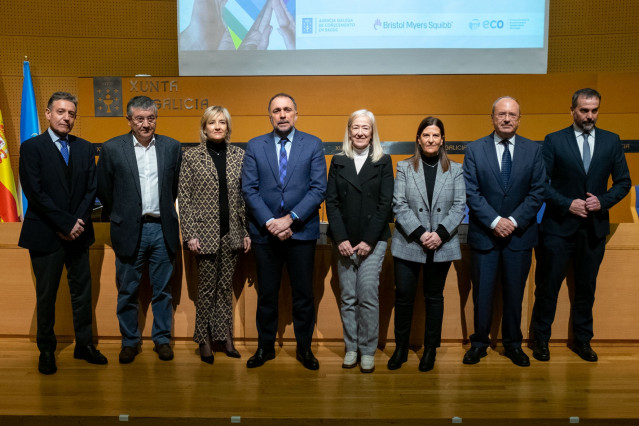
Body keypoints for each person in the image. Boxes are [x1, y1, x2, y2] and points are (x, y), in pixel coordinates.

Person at [531, 88, 630, 363]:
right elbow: (540, 184)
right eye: (584, 110)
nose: (589, 116)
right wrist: (567, 203)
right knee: (548, 287)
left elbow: (623, 182)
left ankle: (583, 341)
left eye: (594, 110)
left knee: (586, 288)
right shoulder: (554, 140)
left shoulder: (612, 142)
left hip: (594, 229)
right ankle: (541, 340)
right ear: (572, 110)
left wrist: (604, 201)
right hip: (557, 228)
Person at [18, 91, 107, 375]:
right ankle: (46, 349)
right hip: (46, 234)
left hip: (79, 233)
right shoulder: (31, 148)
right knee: (47, 295)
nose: (66, 117)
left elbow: (90, 189)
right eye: (60, 112)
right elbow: (35, 192)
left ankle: (84, 345)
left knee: (83, 292)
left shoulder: (85, 147)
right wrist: (64, 224)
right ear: (47, 113)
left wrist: (77, 222)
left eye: (71, 113)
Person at [241, 93, 327, 370]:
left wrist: (289, 220)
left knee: (303, 295)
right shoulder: (255, 146)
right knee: (267, 294)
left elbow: (318, 189)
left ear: (296, 114)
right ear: (270, 116)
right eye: (276, 110)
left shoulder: (312, 144)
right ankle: (264, 348)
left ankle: (304, 349)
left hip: (301, 233)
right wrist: (271, 222)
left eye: (287, 109)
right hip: (265, 235)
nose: (282, 114)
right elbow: (249, 190)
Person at [97, 96, 182, 364]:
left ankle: (162, 340)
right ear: (130, 120)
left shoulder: (172, 147)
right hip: (128, 230)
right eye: (140, 119)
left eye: (151, 118)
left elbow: (175, 187)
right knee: (128, 291)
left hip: (162, 229)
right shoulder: (112, 149)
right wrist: (123, 214)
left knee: (162, 291)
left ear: (156, 118)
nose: (146, 124)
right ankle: (130, 341)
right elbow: (104, 190)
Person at [462, 96, 545, 367]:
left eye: (512, 114)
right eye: (501, 114)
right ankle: (479, 344)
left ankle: (513, 344)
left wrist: (513, 221)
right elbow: (471, 192)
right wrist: (496, 221)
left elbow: (537, 191)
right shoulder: (475, 150)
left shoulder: (533, 150)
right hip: (485, 235)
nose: (506, 119)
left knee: (515, 294)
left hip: (519, 237)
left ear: (519, 119)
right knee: (482, 294)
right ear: (492, 118)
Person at [389, 116, 466, 372]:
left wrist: (440, 234)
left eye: (436, 135)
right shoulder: (403, 167)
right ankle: (400, 348)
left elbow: (459, 206)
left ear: (442, 140)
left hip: (441, 244)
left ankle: (431, 349)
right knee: (404, 297)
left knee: (434, 298)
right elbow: (398, 204)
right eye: (426, 135)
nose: (431, 140)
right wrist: (422, 233)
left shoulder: (455, 169)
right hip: (410, 241)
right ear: (419, 139)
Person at [178, 106, 251, 364]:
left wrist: (245, 231)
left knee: (224, 288)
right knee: (207, 289)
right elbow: (183, 199)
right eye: (212, 123)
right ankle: (204, 339)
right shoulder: (191, 157)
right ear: (204, 127)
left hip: (232, 233)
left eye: (222, 122)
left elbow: (244, 197)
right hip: (203, 234)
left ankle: (225, 337)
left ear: (228, 127)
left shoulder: (239, 156)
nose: (218, 127)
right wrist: (190, 234)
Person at [325, 109, 394, 373]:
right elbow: (331, 202)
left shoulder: (383, 161)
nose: (360, 132)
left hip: (372, 242)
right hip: (343, 240)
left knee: (367, 295)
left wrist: (368, 240)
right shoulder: (339, 160)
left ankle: (367, 350)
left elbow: (385, 203)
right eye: (356, 127)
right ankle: (350, 348)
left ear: (372, 132)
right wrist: (341, 238)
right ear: (349, 130)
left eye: (365, 128)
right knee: (348, 297)